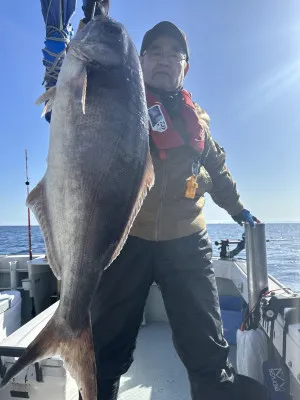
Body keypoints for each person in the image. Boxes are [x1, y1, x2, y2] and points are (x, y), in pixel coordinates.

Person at [88, 20, 270, 400]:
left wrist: (239, 211)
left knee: (208, 355)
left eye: (175, 54)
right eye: (154, 51)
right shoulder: (116, 102)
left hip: (187, 241)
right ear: (137, 62)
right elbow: (75, 110)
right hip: (126, 239)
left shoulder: (197, 121)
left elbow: (218, 171)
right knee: (104, 351)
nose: (164, 59)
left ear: (185, 68)